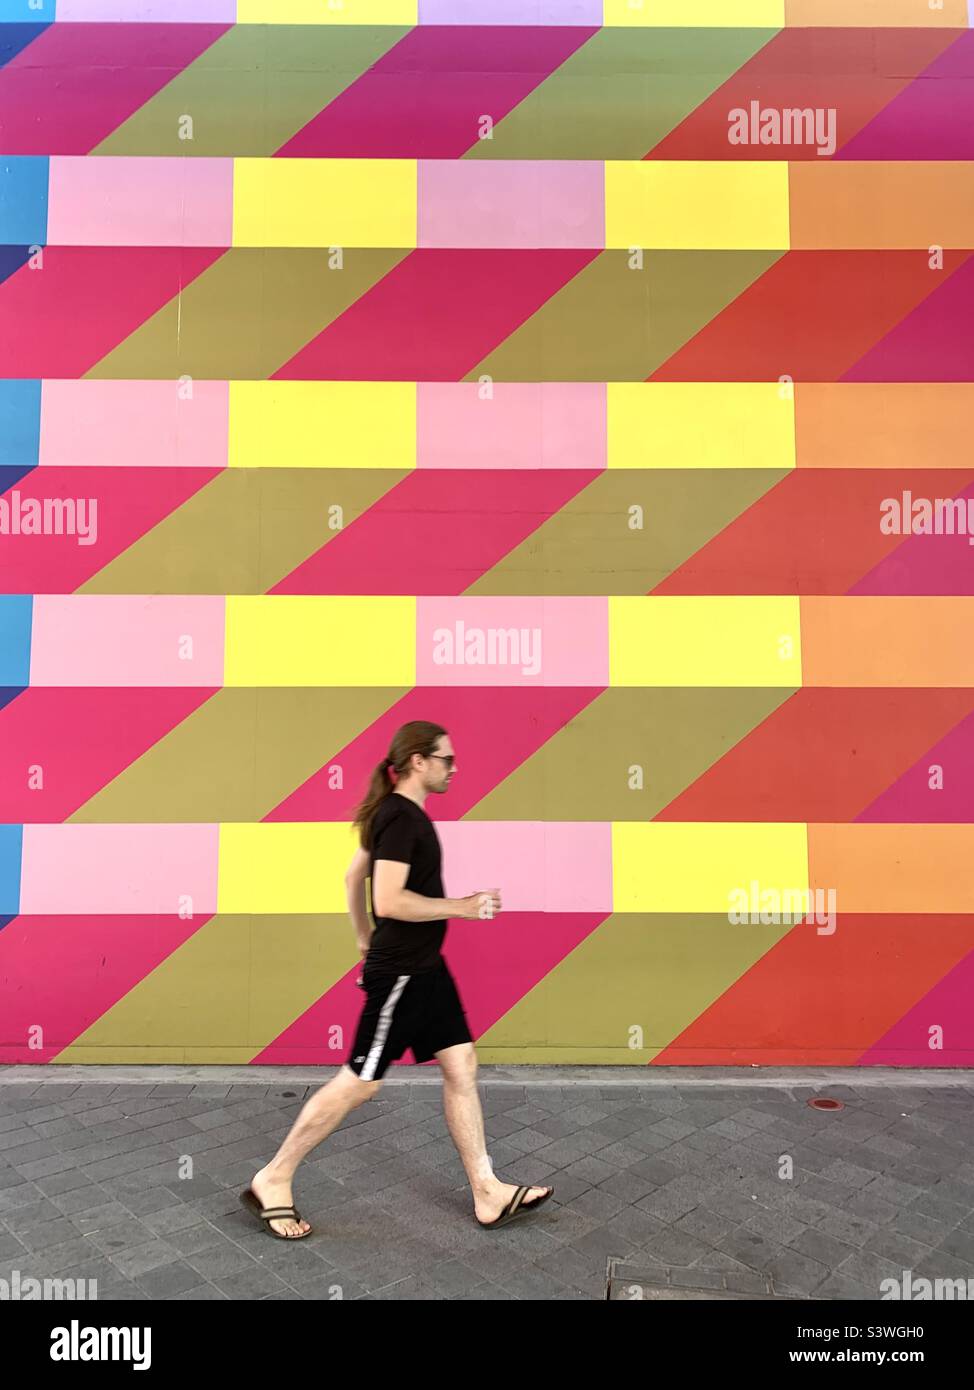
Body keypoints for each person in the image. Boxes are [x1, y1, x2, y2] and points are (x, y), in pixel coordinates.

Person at [241, 720, 553, 1239]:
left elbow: (351, 877)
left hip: (426, 970)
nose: (454, 768)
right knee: (361, 1082)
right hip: (404, 974)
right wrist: (463, 907)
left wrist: (364, 937)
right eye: (446, 759)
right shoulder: (402, 819)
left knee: (461, 1063)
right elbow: (388, 899)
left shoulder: (393, 815)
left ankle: (487, 1190)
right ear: (418, 762)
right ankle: (272, 1179)